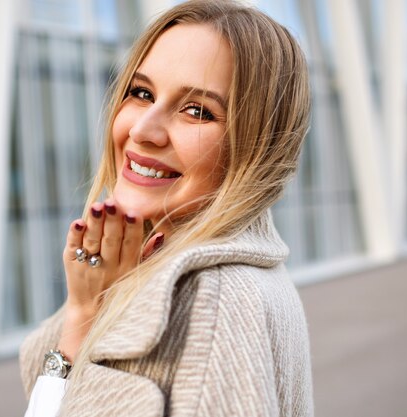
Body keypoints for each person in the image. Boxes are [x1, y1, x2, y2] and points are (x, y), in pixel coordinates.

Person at [19, 0, 313, 416]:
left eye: (197, 111)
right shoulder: (189, 274)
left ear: (257, 147)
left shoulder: (213, 304)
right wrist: (86, 309)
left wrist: (82, 325)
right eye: (141, 93)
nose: (142, 130)